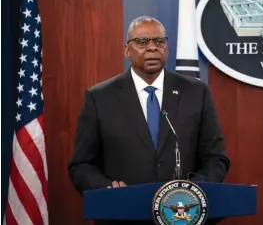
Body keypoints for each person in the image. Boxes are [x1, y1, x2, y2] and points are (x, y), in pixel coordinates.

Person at [68, 16, 230, 225]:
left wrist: (192, 191)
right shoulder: (100, 97)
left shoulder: (196, 92)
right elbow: (81, 164)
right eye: (142, 42)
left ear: (167, 48)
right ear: (127, 50)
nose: (152, 48)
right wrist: (106, 190)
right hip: (123, 217)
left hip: (183, 216)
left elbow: (216, 158)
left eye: (159, 41)